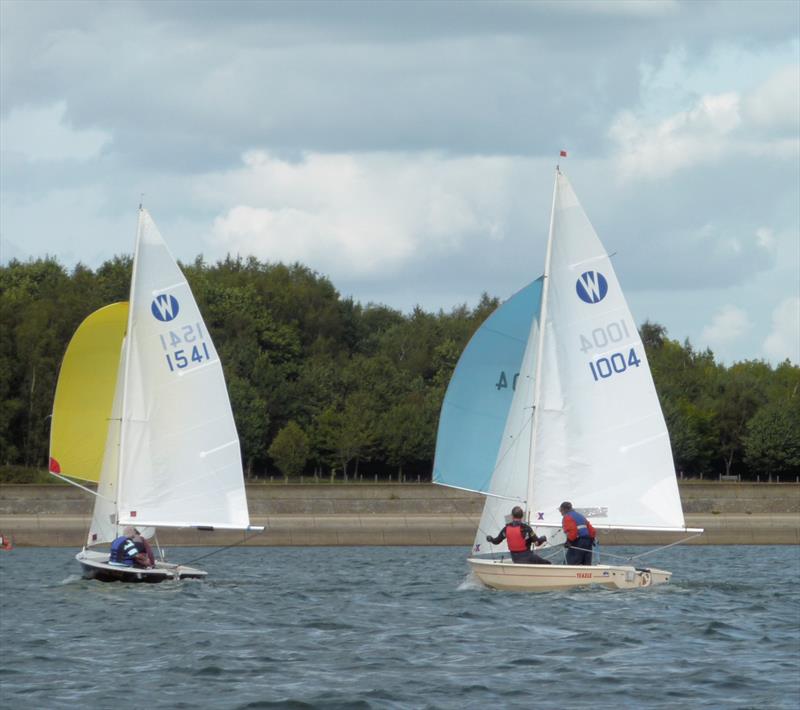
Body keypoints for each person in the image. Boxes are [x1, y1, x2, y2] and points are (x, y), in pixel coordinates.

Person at [486, 506, 551, 564]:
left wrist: (490, 539)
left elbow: (496, 541)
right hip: (528, 558)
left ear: (512, 516)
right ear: (522, 516)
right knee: (548, 563)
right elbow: (537, 543)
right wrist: (543, 539)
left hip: (515, 559)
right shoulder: (526, 528)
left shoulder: (506, 529)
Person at [559, 501, 596, 566]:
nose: (561, 513)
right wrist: (592, 539)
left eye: (561, 510)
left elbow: (573, 531)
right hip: (588, 542)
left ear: (565, 509)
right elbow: (592, 530)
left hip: (578, 543)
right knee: (586, 566)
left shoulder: (567, 517)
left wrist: (568, 541)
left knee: (569, 565)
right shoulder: (580, 516)